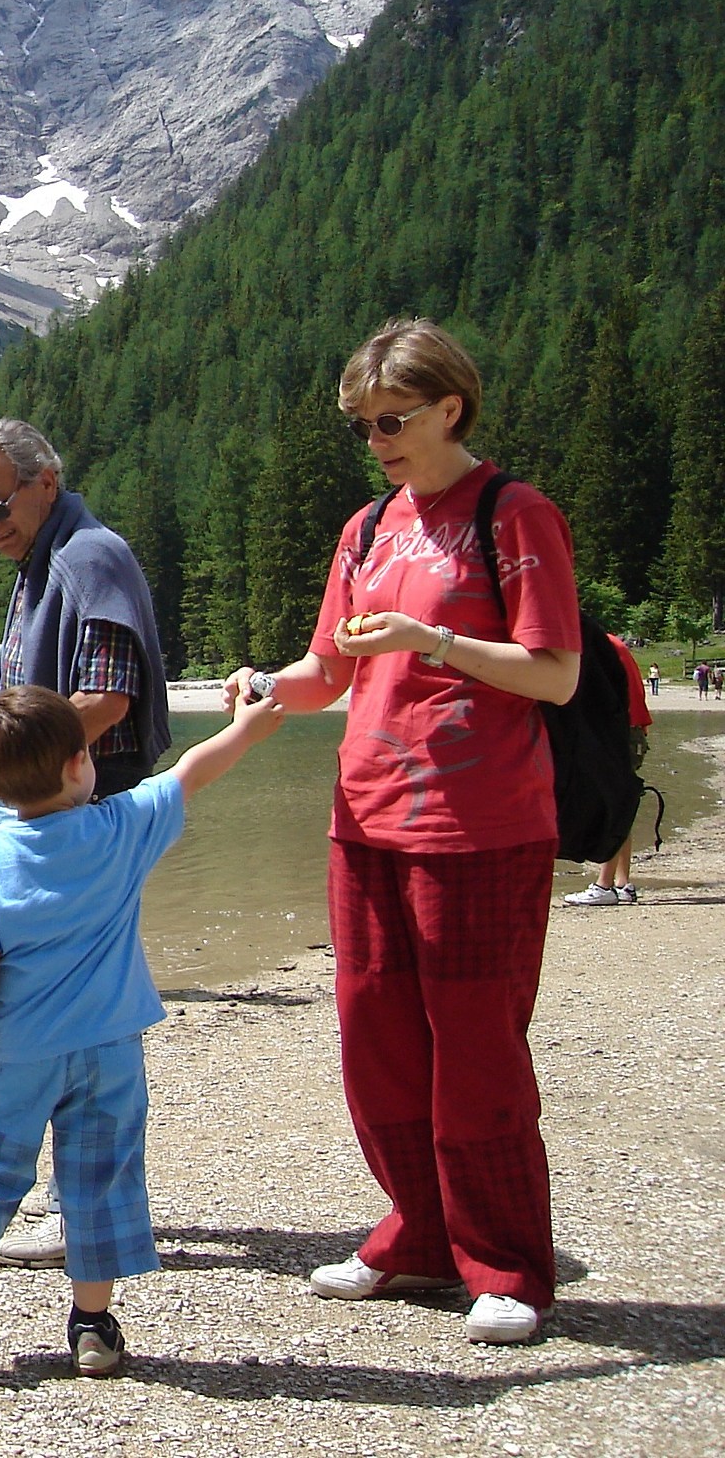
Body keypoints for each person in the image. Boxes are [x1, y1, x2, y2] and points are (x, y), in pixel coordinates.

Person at [225, 318, 579, 1346]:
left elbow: (552, 674)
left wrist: (433, 639)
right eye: (361, 426)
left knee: (475, 1048)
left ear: (450, 408)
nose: (375, 439)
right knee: (377, 1037)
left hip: (482, 826)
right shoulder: (367, 529)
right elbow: (329, 671)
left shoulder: (514, 516)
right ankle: (417, 1236)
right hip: (366, 817)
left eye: (391, 421)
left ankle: (507, 1265)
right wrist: (267, 686)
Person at [0, 683, 284, 1378]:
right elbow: (193, 770)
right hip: (110, 1047)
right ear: (82, 764)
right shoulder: (120, 827)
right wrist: (249, 727)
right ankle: (92, 1326)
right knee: (99, 1176)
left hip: (20, 1050)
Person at [0, 419, 172, 1270]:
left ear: (46, 481)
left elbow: (108, 697)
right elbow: (13, 671)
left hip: (81, 815)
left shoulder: (89, 555)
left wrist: (7, 767)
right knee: (54, 1012)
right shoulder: (41, 560)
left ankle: (80, 1217)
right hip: (47, 812)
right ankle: (74, 1206)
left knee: (53, 1018)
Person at [564, 631, 651, 905]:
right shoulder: (611, 642)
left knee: (612, 805)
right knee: (621, 804)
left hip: (621, 731)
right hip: (631, 729)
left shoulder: (596, 644)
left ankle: (604, 886)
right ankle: (623, 884)